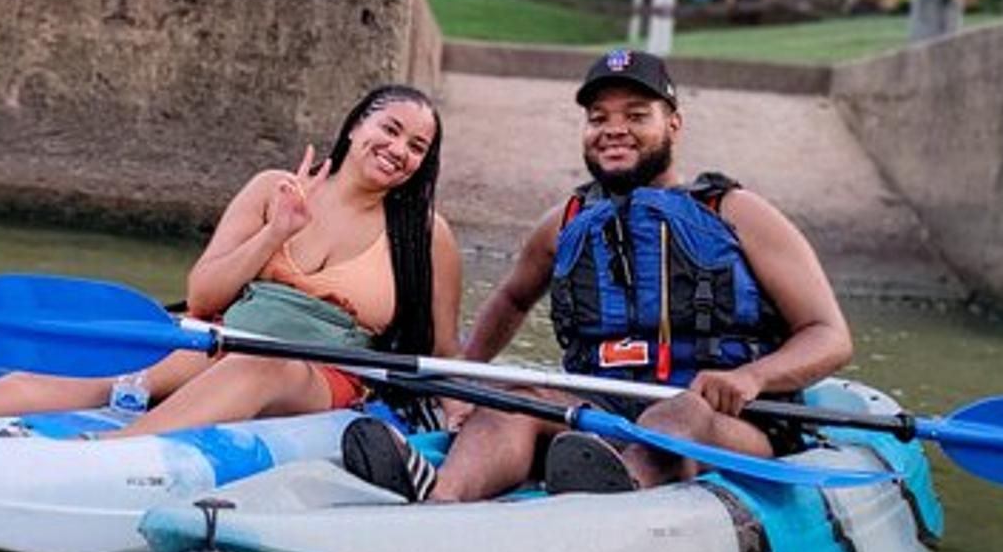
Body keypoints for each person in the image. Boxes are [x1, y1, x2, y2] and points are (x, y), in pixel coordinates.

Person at [342, 49, 852, 501]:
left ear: (673, 123)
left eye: (636, 115)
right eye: (598, 116)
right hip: (602, 410)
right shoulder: (563, 221)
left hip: (724, 421)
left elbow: (829, 335)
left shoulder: (736, 211)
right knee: (519, 399)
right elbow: (513, 299)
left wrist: (750, 378)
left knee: (679, 415)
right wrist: (460, 382)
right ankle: (442, 500)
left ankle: (610, 499)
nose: (613, 128)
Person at [0, 84, 463, 437]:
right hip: (226, 336)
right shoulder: (274, 189)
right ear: (357, 124)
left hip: (318, 375)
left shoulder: (426, 236)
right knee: (123, 362)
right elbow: (206, 294)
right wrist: (274, 235)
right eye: (390, 129)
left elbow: (441, 351)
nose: (399, 151)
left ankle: (116, 449)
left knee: (255, 367)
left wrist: (456, 414)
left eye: (417, 147)